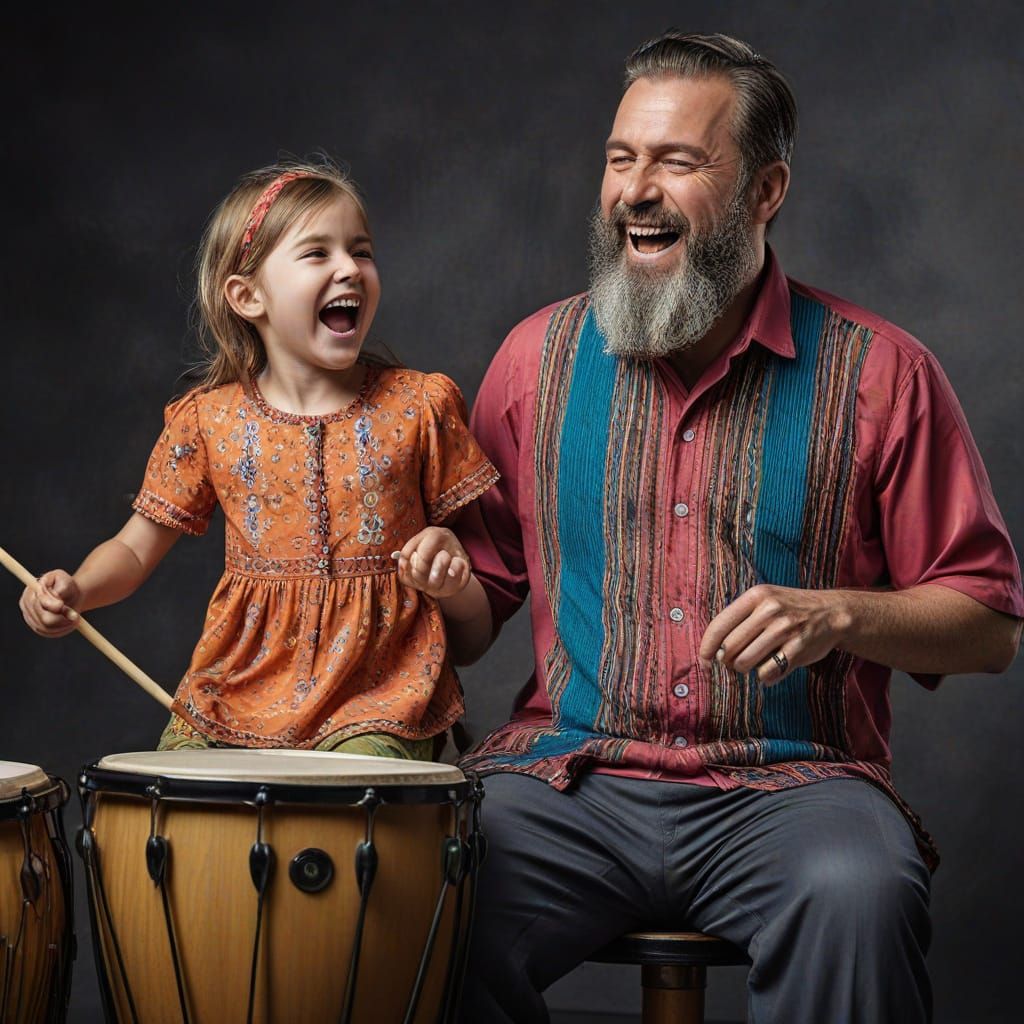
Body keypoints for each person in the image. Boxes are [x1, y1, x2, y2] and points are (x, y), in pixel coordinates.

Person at [449, 33, 1024, 1024]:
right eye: (621, 158)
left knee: (862, 894)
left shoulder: (882, 374)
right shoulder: (531, 363)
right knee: (421, 885)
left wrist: (842, 614)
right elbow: (471, 604)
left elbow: (989, 624)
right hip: (564, 783)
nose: (636, 190)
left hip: (798, 791)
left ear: (766, 190)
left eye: (677, 161)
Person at [19, 159, 498, 758]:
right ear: (247, 296)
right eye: (317, 253)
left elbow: (475, 635)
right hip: (234, 693)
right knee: (175, 787)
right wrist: (79, 589)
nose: (350, 268)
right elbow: (134, 550)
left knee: (348, 788)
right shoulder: (208, 420)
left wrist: (452, 582)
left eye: (361, 251)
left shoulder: (421, 407)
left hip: (380, 702)